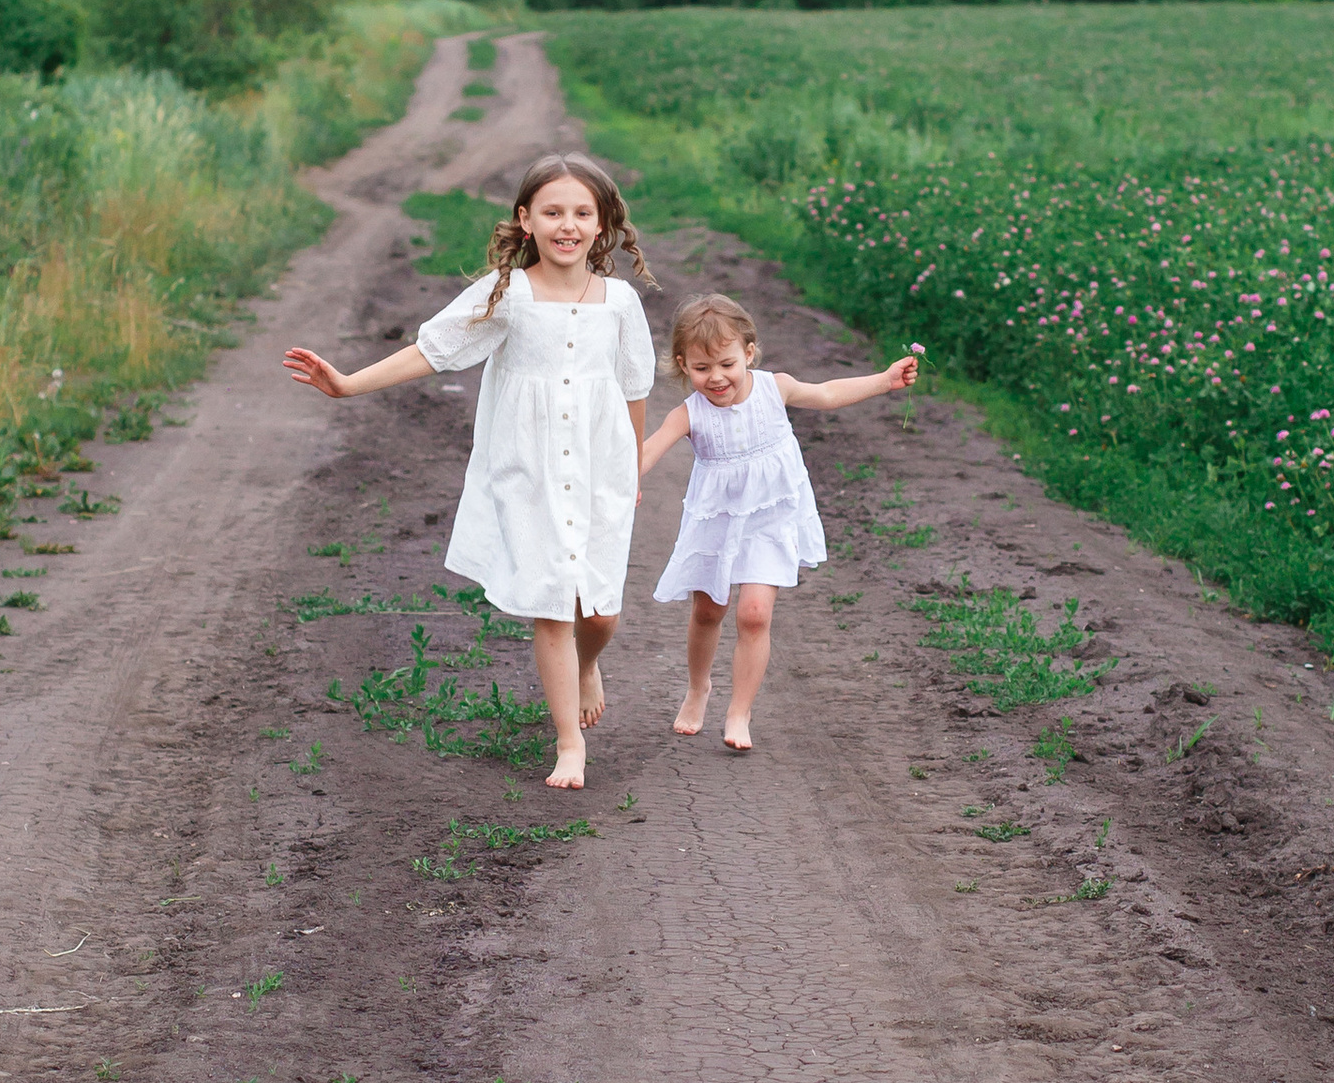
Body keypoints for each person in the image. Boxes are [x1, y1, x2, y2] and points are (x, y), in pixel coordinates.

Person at [284, 153, 655, 790]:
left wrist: (636, 470)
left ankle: (587, 664)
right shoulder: (504, 293)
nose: (567, 225)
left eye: (581, 213)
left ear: (602, 226)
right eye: (552, 212)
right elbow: (435, 350)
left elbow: (634, 388)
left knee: (600, 616)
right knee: (552, 607)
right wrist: (347, 386)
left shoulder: (619, 302)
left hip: (600, 472)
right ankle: (569, 743)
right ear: (526, 219)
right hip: (528, 472)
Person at [640, 291, 918, 751]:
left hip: (771, 518)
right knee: (709, 609)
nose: (716, 378)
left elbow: (827, 394)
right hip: (718, 522)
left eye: (726, 363)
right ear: (682, 365)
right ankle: (698, 687)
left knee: (753, 615)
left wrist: (884, 380)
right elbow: (649, 451)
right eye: (701, 368)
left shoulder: (774, 387)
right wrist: (619, 482)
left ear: (748, 353)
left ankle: (739, 711)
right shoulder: (688, 413)